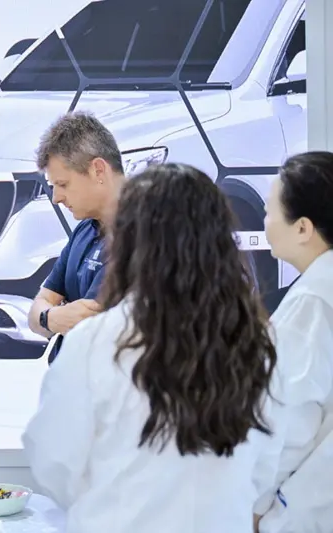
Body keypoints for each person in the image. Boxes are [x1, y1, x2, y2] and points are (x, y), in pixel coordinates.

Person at [22, 163, 282, 533]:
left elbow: (53, 462)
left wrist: (106, 495)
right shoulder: (256, 341)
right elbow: (269, 461)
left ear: (128, 242)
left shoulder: (96, 340)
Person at [257, 151, 333, 532]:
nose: (264, 220)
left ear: (303, 228)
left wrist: (255, 507)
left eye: (269, 210)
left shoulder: (313, 302)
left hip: (301, 509)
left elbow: (291, 423)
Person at [26, 112, 126, 363]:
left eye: (63, 184)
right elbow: (38, 310)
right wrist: (50, 318)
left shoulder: (147, 235)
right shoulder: (85, 229)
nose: (56, 198)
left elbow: (87, 322)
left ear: (98, 170)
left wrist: (50, 316)